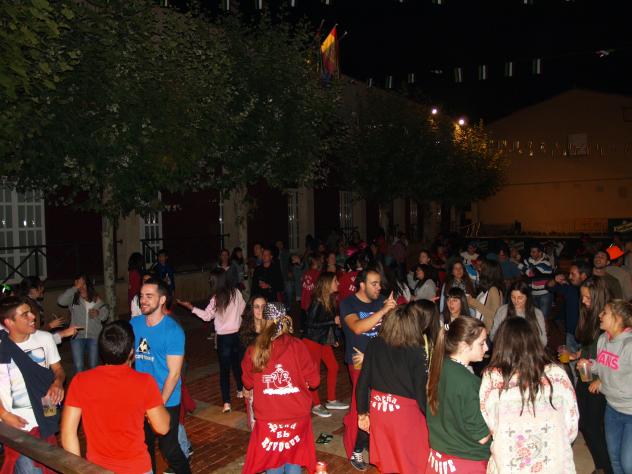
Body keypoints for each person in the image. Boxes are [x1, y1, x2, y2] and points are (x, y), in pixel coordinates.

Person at [61, 321, 170, 473]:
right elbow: (163, 428)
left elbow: (68, 433)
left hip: (97, 468)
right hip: (136, 468)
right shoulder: (145, 382)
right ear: (131, 351)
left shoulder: (81, 381)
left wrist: (79, 469)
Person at [480, 317, 578, 473]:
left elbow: (490, 424)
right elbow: (571, 426)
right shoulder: (558, 375)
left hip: (510, 466)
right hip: (554, 465)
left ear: (501, 346)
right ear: (535, 343)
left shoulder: (493, 379)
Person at [241, 302, 319, 474]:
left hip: (269, 417)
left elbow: (247, 383)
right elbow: (314, 381)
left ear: (264, 321)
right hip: (297, 415)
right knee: (294, 458)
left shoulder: (254, 349)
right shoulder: (298, 345)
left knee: (273, 462)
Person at [355, 303, 430, 474]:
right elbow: (420, 391)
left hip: (380, 410)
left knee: (388, 460)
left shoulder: (374, 344)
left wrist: (362, 413)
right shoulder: (415, 350)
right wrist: (432, 418)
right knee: (412, 461)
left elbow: (363, 382)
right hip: (405, 415)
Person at [130, 278, 190, 474]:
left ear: (162, 299)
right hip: (141, 397)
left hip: (167, 398)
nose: (143, 300)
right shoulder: (134, 324)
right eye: (141, 296)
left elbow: (174, 374)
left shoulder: (173, 331)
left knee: (169, 448)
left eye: (149, 296)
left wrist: (158, 404)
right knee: (144, 446)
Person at [0, 296, 65, 473]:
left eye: (30, 312)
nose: (33, 317)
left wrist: (58, 383)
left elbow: (58, 369)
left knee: (51, 465)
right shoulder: (2, 346)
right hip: (16, 420)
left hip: (46, 409)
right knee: (30, 470)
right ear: (9, 322)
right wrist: (4, 415)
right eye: (25, 315)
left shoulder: (45, 338)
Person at [340, 269, 396, 470]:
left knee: (379, 406)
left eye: (379, 283)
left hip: (379, 360)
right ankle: (355, 450)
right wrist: (383, 311)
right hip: (358, 362)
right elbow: (357, 328)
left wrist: (394, 311)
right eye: (374, 283)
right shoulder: (348, 303)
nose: (379, 287)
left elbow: (393, 330)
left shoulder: (381, 300)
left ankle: (372, 443)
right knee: (361, 408)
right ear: (362, 285)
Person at [426, 317, 491, 473]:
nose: (487, 347)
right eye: (482, 343)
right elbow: (482, 437)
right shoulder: (469, 383)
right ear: (463, 345)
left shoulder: (439, 367)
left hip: (438, 459)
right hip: (466, 462)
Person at [178, 268, 246, 413]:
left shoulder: (216, 299)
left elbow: (206, 316)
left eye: (211, 279)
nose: (210, 281)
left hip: (223, 338)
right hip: (236, 335)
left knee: (224, 370)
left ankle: (227, 403)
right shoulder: (236, 293)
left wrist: (191, 307)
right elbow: (243, 310)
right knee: (237, 364)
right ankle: (241, 389)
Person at [579, 300, 632, 474]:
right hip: (612, 408)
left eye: (605, 312)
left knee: (628, 464)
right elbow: (603, 365)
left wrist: (603, 383)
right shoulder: (603, 339)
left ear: (618, 318)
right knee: (614, 459)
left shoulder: (629, 345)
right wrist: (591, 365)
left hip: (630, 412)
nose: (600, 315)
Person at [571, 277, 613, 474]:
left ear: (598, 297)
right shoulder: (590, 315)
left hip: (600, 378)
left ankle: (607, 467)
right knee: (584, 423)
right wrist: (578, 355)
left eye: (588, 297)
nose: (584, 301)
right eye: (583, 297)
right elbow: (590, 345)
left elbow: (615, 355)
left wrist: (602, 379)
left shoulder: (609, 318)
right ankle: (601, 465)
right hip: (586, 373)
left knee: (593, 426)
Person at [303, 272, 348, 418]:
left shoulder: (330, 299)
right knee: (314, 374)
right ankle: (316, 405)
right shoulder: (317, 301)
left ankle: (331, 400)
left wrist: (333, 337)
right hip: (312, 341)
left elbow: (329, 322)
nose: (338, 283)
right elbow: (309, 324)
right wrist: (332, 321)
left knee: (333, 367)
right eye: (335, 281)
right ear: (327, 283)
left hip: (323, 340)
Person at [57, 274, 110, 372]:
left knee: (93, 366)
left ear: (88, 285)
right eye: (79, 285)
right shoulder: (73, 298)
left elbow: (104, 316)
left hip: (94, 336)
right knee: (79, 367)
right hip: (76, 335)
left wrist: (98, 313)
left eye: (83, 284)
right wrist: (75, 288)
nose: (81, 287)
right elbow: (60, 301)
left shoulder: (96, 299)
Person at [548, 260, 592, 359]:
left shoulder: (595, 292)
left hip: (587, 337)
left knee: (585, 363)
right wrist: (555, 280)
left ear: (583, 276)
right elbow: (549, 286)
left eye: (573, 274)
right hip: (571, 334)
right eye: (569, 274)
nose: (570, 277)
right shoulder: (570, 288)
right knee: (571, 362)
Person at [490, 281, 547, 347]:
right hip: (507, 349)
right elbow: (493, 335)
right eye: (513, 297)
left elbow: (543, 340)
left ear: (527, 297)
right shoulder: (502, 311)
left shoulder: (537, 313)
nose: (516, 301)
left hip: (529, 350)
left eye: (520, 298)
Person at [467, 259, 504, 332]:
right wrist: (469, 302)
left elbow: (495, 314)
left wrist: (473, 302)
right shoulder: (488, 289)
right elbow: (483, 307)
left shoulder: (493, 290)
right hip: (483, 329)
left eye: (482, 268)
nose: (479, 269)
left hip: (488, 332)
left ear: (488, 272)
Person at [520, 243, 554, 318]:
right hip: (534, 294)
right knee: (535, 318)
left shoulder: (545, 264)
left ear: (540, 253)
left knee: (543, 318)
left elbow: (531, 274)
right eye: (531, 251)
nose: (531, 253)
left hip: (544, 294)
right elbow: (523, 267)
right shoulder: (531, 262)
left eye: (533, 252)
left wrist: (521, 266)